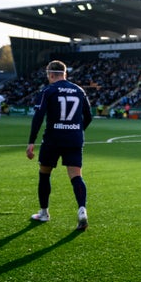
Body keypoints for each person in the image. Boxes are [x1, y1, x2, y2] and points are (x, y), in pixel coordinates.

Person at [26, 60, 92, 231]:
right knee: (76, 176)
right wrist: (77, 130)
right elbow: (89, 116)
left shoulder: (48, 90)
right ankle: (82, 209)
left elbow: (38, 117)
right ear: (65, 74)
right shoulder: (79, 90)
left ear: (51, 74)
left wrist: (31, 141)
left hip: (53, 139)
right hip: (74, 138)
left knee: (44, 174)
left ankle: (44, 213)